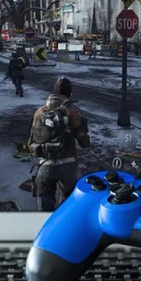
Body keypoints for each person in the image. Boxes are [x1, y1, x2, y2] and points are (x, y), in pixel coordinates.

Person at [28, 77, 91, 211]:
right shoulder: (73, 112)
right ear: (69, 94)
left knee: (45, 206)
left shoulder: (40, 113)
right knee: (68, 208)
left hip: (46, 165)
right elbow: (84, 143)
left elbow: (31, 142)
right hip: (68, 165)